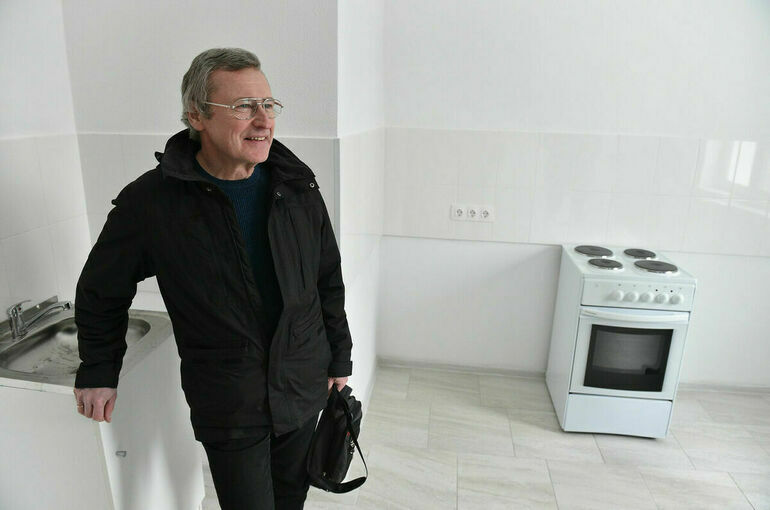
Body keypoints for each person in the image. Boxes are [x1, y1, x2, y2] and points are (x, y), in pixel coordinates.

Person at [72, 47, 353, 510]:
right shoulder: (154, 202)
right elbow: (101, 289)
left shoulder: (296, 186)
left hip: (302, 385)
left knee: (290, 501)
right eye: (243, 106)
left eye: (268, 104)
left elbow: (327, 280)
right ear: (196, 116)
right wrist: (99, 370)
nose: (263, 119)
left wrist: (339, 358)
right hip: (229, 400)